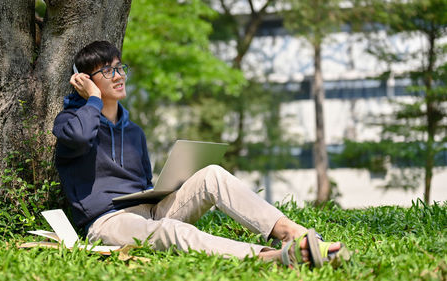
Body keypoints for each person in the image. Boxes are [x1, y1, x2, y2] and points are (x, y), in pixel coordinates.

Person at [53, 40, 349, 267]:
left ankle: (291, 232)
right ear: (87, 80)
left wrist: (162, 191)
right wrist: (91, 99)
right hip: (108, 221)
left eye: (120, 68)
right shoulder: (69, 122)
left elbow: (143, 182)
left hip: (149, 209)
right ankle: (272, 257)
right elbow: (79, 139)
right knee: (169, 231)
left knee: (212, 175)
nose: (118, 76)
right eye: (107, 71)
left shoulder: (134, 133)